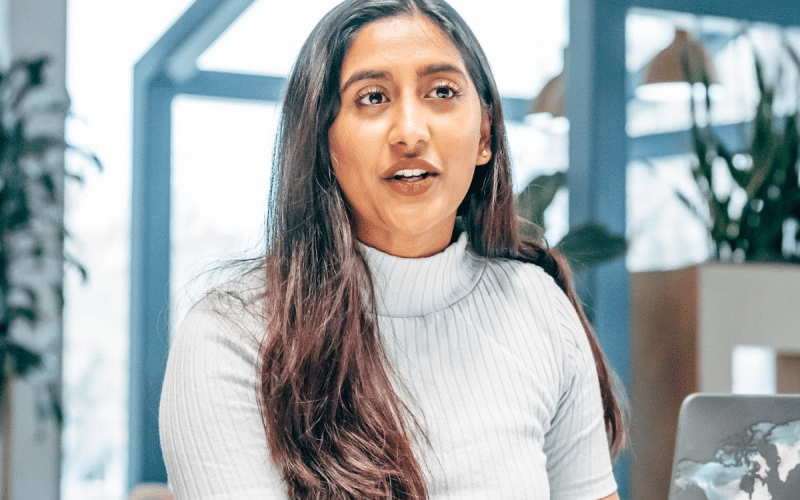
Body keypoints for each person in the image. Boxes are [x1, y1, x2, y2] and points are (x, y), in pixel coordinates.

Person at [159, 0, 626, 498]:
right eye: (373, 97)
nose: (410, 133)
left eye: (442, 92)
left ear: (485, 134)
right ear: (322, 140)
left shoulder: (539, 307)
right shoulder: (230, 339)